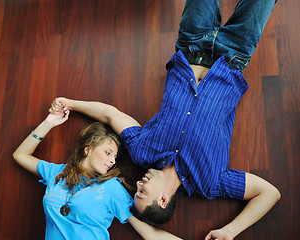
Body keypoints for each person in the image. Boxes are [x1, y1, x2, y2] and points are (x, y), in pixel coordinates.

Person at [49, 0, 281, 239]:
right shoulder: (210, 183)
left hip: (191, 46)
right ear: (162, 200)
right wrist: (229, 231)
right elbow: (269, 193)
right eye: (141, 193)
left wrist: (72, 103)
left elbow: (111, 114)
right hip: (233, 56)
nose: (138, 184)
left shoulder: (142, 153)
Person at [13, 107, 182, 240]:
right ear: (88, 149)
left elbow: (151, 234)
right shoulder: (57, 173)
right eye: (108, 153)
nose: (112, 160)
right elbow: (20, 155)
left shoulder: (112, 188)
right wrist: (49, 122)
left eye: (115, 157)